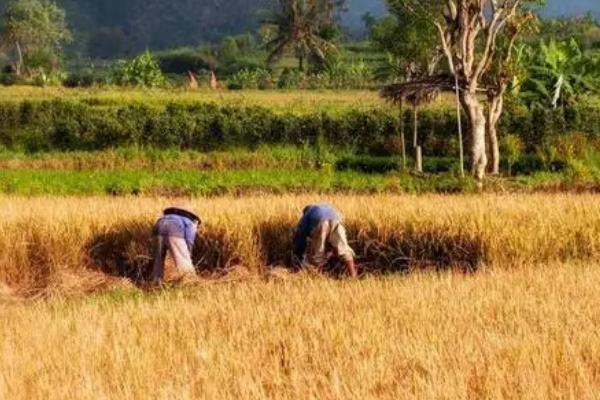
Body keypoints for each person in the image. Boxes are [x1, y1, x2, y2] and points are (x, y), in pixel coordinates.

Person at [292, 203, 357, 278]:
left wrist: (298, 254)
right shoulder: (324, 207)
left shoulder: (306, 216)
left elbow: (300, 237)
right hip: (336, 220)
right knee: (344, 249)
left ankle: (321, 277)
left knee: (318, 255)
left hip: (320, 221)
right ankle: (353, 275)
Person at [151, 202, 201, 283]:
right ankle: (190, 281)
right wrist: (188, 253)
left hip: (159, 225)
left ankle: (156, 281)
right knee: (183, 258)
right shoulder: (191, 222)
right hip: (174, 229)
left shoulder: (165, 217)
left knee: (158, 257)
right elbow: (189, 240)